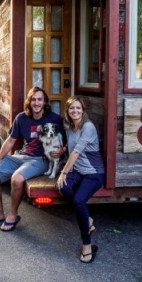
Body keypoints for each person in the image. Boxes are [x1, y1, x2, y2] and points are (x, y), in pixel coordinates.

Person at [0, 87, 64, 232]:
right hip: (21, 155)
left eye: (39, 99)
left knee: (16, 179)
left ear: (45, 102)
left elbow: (66, 140)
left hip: (40, 159)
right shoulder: (21, 118)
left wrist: (62, 150)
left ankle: (12, 214)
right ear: (29, 102)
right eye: (33, 99)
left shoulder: (54, 119)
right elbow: (10, 141)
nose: (36, 103)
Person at [56, 96, 105, 264]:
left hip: (93, 173)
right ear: (67, 111)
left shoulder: (88, 127)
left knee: (78, 200)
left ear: (83, 111)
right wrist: (63, 149)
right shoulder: (70, 127)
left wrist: (64, 172)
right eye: (72, 108)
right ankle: (88, 220)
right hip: (78, 170)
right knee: (63, 187)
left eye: (78, 108)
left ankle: (87, 245)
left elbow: (76, 152)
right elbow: (72, 148)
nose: (75, 111)